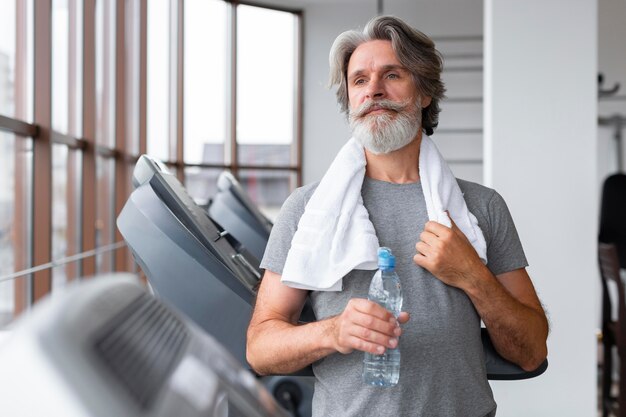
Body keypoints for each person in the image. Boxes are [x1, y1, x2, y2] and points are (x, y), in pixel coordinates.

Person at [246, 15, 548, 417]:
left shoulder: (481, 207)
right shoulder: (306, 210)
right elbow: (260, 349)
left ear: (424, 93)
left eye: (392, 75)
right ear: (351, 101)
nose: (374, 90)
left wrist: (472, 274)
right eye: (359, 80)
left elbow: (531, 351)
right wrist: (333, 332)